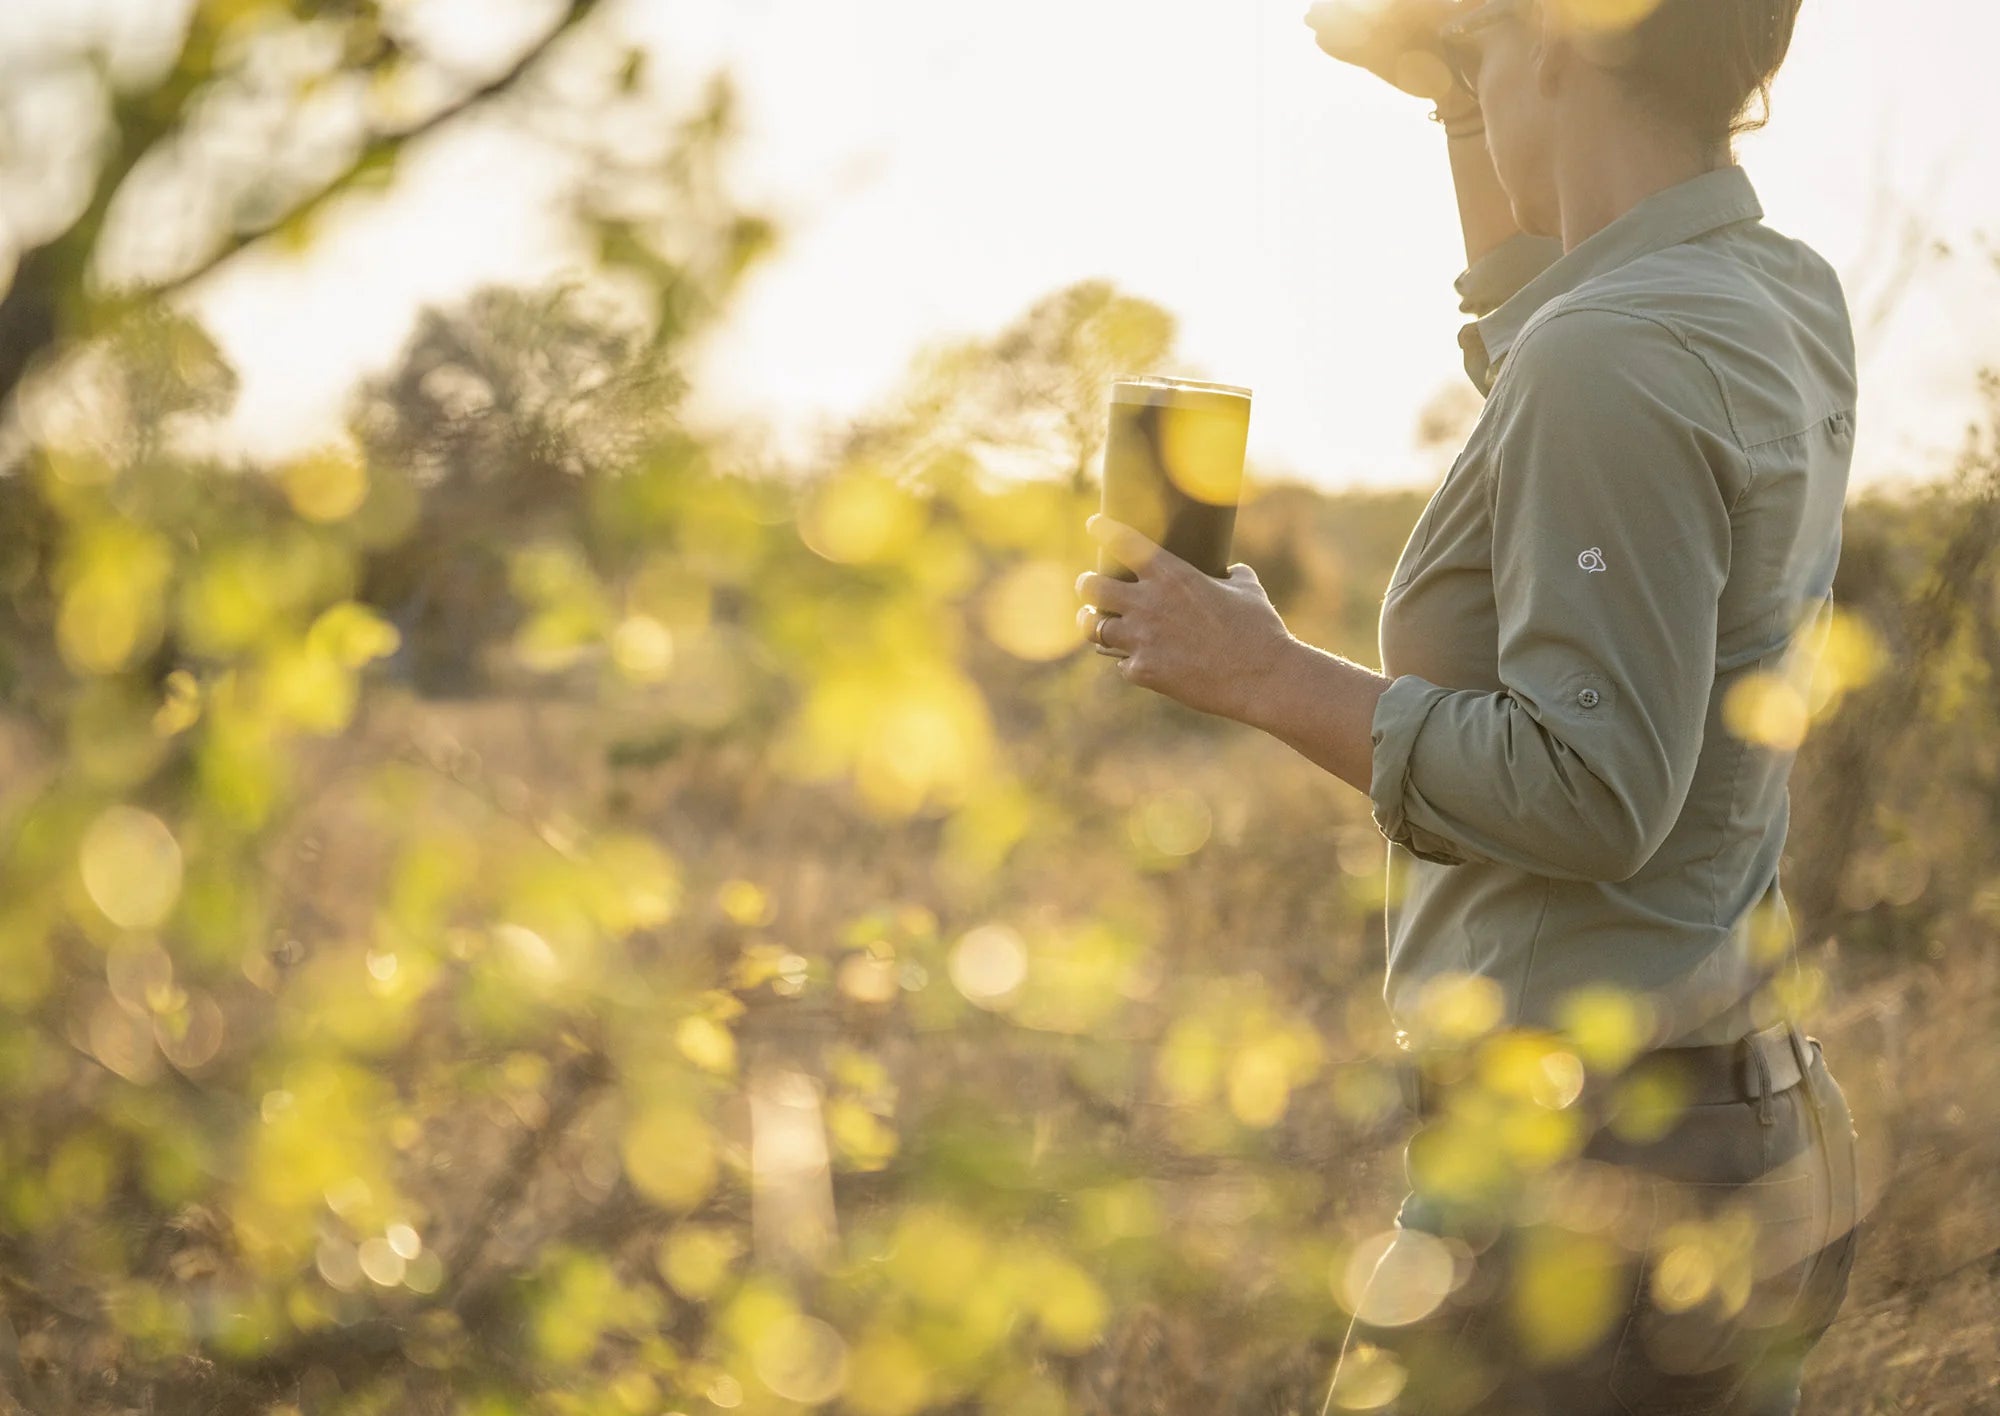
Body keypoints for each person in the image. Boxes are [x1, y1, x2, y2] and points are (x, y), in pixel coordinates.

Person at [1073, 0, 1864, 1410]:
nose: (1480, 85)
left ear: (1563, 43)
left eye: (1490, 48)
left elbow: (1592, 790)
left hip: (1585, 1184)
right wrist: (1456, 99)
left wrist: (1260, 670)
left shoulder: (1611, 356)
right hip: (1732, 1125)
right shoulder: (1772, 295)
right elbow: (1567, 361)